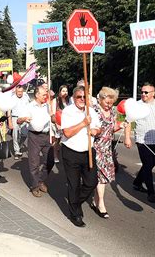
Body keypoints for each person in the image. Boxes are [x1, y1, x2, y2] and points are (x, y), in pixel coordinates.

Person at [61, 86, 101, 227]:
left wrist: (95, 130)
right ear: (73, 98)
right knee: (74, 185)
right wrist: (84, 123)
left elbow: (98, 127)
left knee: (92, 182)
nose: (82, 100)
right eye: (79, 97)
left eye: (85, 97)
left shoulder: (91, 112)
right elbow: (67, 133)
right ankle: (75, 214)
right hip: (71, 152)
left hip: (88, 152)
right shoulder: (68, 112)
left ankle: (75, 202)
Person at [124, 83, 155, 203]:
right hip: (143, 141)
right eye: (141, 92)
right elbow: (128, 122)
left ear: (153, 93)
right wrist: (127, 138)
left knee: (150, 164)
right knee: (148, 165)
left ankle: (137, 182)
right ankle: (151, 193)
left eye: (146, 92)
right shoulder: (137, 105)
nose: (143, 94)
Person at [17, 85, 52, 197]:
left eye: (46, 94)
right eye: (43, 95)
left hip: (47, 136)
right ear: (37, 95)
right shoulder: (29, 106)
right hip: (34, 137)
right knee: (34, 163)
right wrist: (24, 119)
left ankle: (41, 179)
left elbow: (53, 119)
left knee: (50, 161)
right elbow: (18, 120)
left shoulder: (48, 105)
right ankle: (35, 186)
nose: (45, 96)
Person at [91, 87, 121, 218]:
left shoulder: (113, 112)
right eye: (107, 102)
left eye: (112, 102)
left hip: (107, 148)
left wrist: (121, 125)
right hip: (95, 147)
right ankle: (101, 203)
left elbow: (112, 128)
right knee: (99, 177)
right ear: (101, 99)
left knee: (103, 178)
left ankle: (96, 201)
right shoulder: (94, 110)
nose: (110, 105)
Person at [10, 85, 30, 160]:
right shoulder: (12, 97)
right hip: (15, 117)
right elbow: (9, 109)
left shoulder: (26, 96)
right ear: (15, 91)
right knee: (15, 134)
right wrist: (9, 121)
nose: (20, 93)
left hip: (24, 118)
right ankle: (16, 151)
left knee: (24, 134)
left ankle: (19, 145)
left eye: (21, 91)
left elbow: (29, 106)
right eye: (18, 91)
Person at [51, 85, 70, 163]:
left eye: (66, 91)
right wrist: (56, 123)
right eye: (63, 91)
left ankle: (66, 156)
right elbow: (52, 113)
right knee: (57, 141)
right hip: (58, 124)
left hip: (67, 124)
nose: (65, 93)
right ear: (59, 92)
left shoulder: (69, 101)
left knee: (67, 140)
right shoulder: (56, 101)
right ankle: (55, 155)